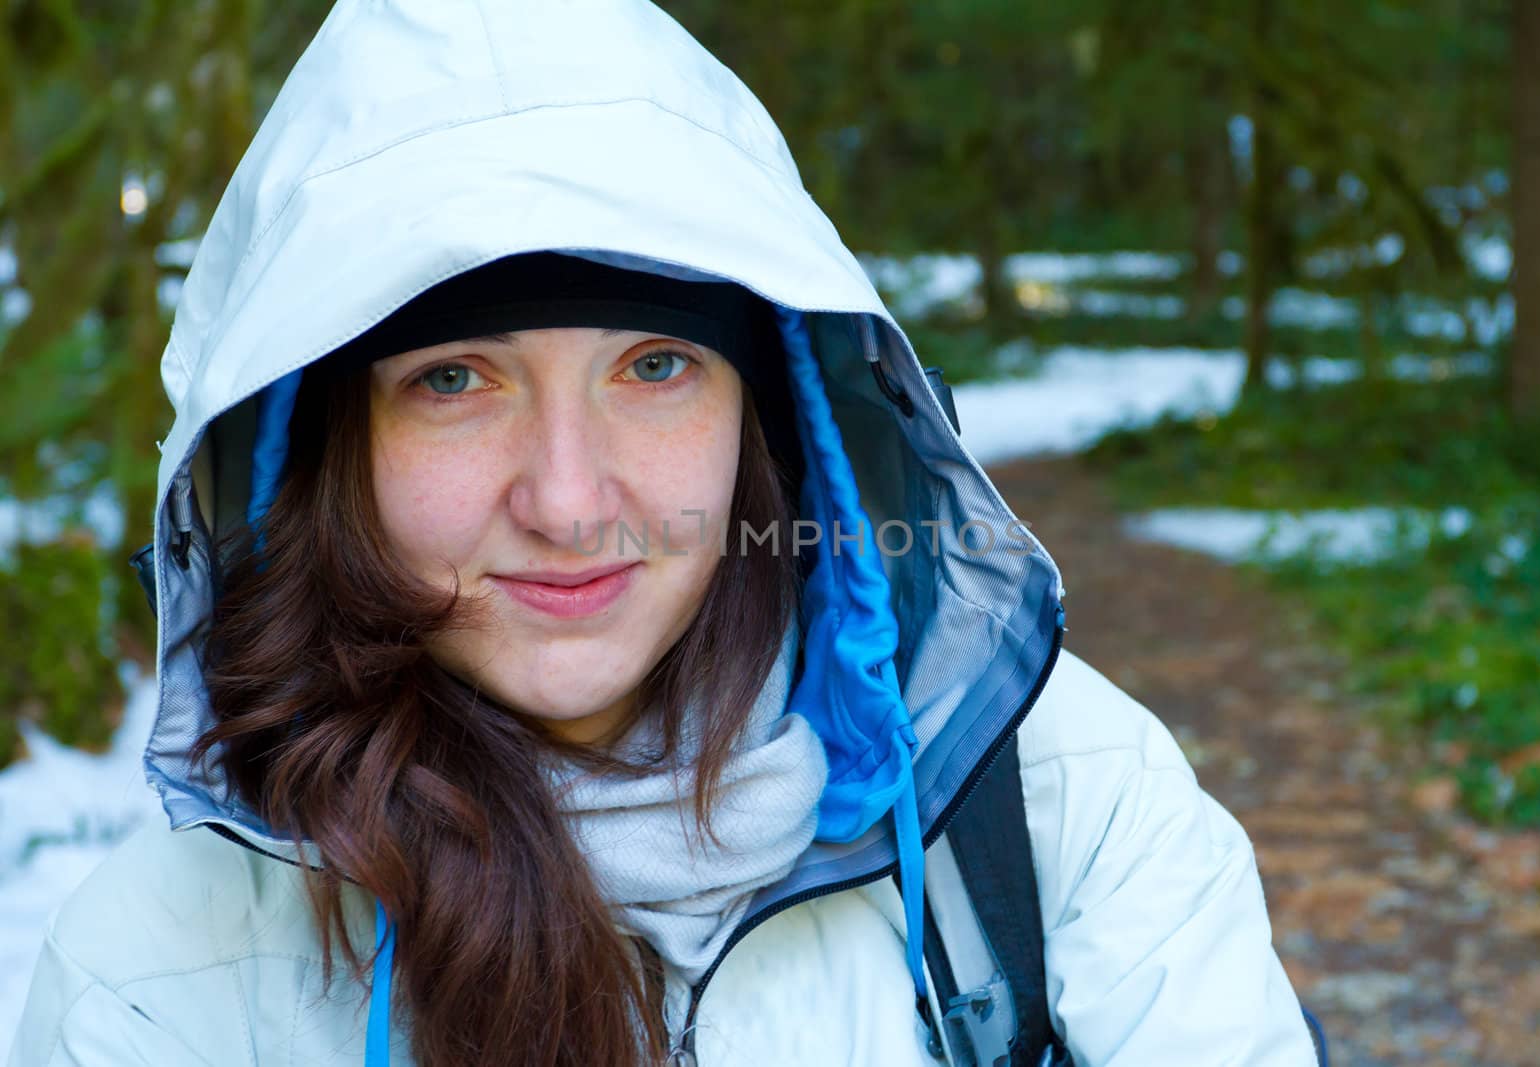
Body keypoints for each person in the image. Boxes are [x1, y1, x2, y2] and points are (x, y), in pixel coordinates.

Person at [8, 2, 1319, 1065]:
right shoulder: (162, 979)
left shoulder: (1057, 810)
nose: (571, 503)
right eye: (454, 381)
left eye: (655, 368)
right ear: (325, 450)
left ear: (771, 413)